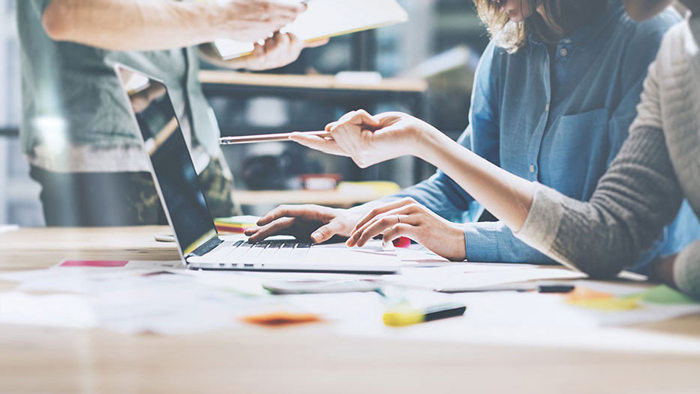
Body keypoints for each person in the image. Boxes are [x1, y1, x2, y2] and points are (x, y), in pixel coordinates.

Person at [268, 0, 700, 297]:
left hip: (633, 294)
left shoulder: (657, 42)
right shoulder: (508, 49)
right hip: (541, 296)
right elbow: (457, 192)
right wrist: (354, 219)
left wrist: (461, 239)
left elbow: (614, 235)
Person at [18, 0, 326, 226]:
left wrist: (245, 50)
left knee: (227, 293)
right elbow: (67, 14)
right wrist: (223, 16)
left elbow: (176, 27)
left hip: (197, 149)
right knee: (126, 308)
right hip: (108, 158)